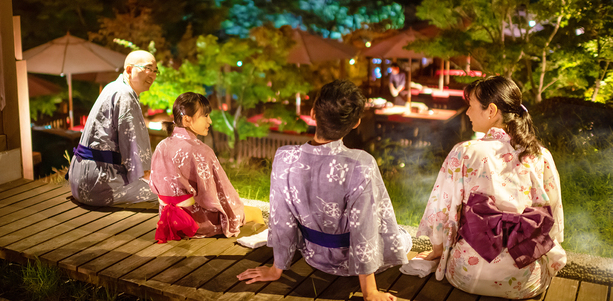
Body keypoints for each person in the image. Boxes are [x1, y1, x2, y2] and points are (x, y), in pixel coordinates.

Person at [237, 80, 411, 301]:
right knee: (403, 237)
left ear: (312, 113)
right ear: (356, 122)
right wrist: (370, 292)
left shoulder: (284, 157)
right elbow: (364, 227)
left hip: (312, 255)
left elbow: (281, 218)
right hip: (351, 264)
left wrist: (276, 268)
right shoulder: (360, 163)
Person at [415, 76, 565, 299]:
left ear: (491, 110)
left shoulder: (464, 151)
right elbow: (553, 215)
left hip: (467, 275)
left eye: (471, 106)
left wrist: (438, 250)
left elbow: (442, 210)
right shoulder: (539, 154)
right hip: (524, 281)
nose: (467, 112)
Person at [150, 92, 248, 243]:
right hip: (194, 221)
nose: (210, 121)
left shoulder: (161, 146)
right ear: (187, 119)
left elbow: (154, 185)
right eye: (205, 115)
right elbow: (212, 197)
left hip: (168, 218)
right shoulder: (201, 151)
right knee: (249, 212)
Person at [67, 50, 158, 206]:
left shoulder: (112, 87)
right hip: (98, 184)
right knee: (166, 190)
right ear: (129, 69)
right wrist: (146, 173)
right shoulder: (125, 95)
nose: (153, 75)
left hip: (79, 180)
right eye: (148, 69)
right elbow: (131, 144)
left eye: (156, 71)